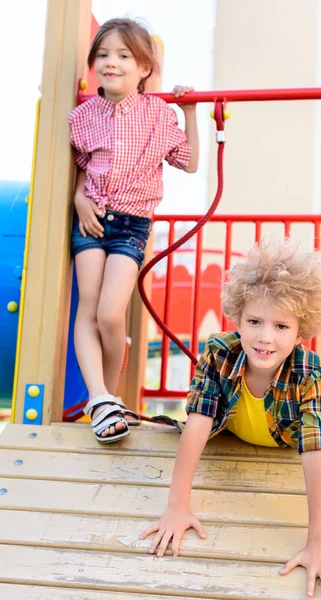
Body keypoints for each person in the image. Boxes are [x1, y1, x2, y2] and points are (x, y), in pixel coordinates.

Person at [140, 237, 321, 598]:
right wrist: (177, 506)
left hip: (286, 439)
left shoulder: (311, 373)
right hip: (234, 431)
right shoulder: (220, 353)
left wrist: (319, 542)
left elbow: (317, 454)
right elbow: (197, 421)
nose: (265, 337)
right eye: (254, 321)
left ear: (301, 331)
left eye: (281, 327)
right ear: (237, 316)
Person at [69, 18, 199, 443]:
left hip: (130, 225)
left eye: (124, 56)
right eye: (103, 55)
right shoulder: (83, 115)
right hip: (92, 218)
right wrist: (78, 197)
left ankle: (107, 397)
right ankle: (101, 399)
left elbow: (190, 162)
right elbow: (82, 169)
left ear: (144, 67)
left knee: (110, 314)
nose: (112, 63)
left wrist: (190, 112)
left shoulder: (157, 113)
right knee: (88, 309)